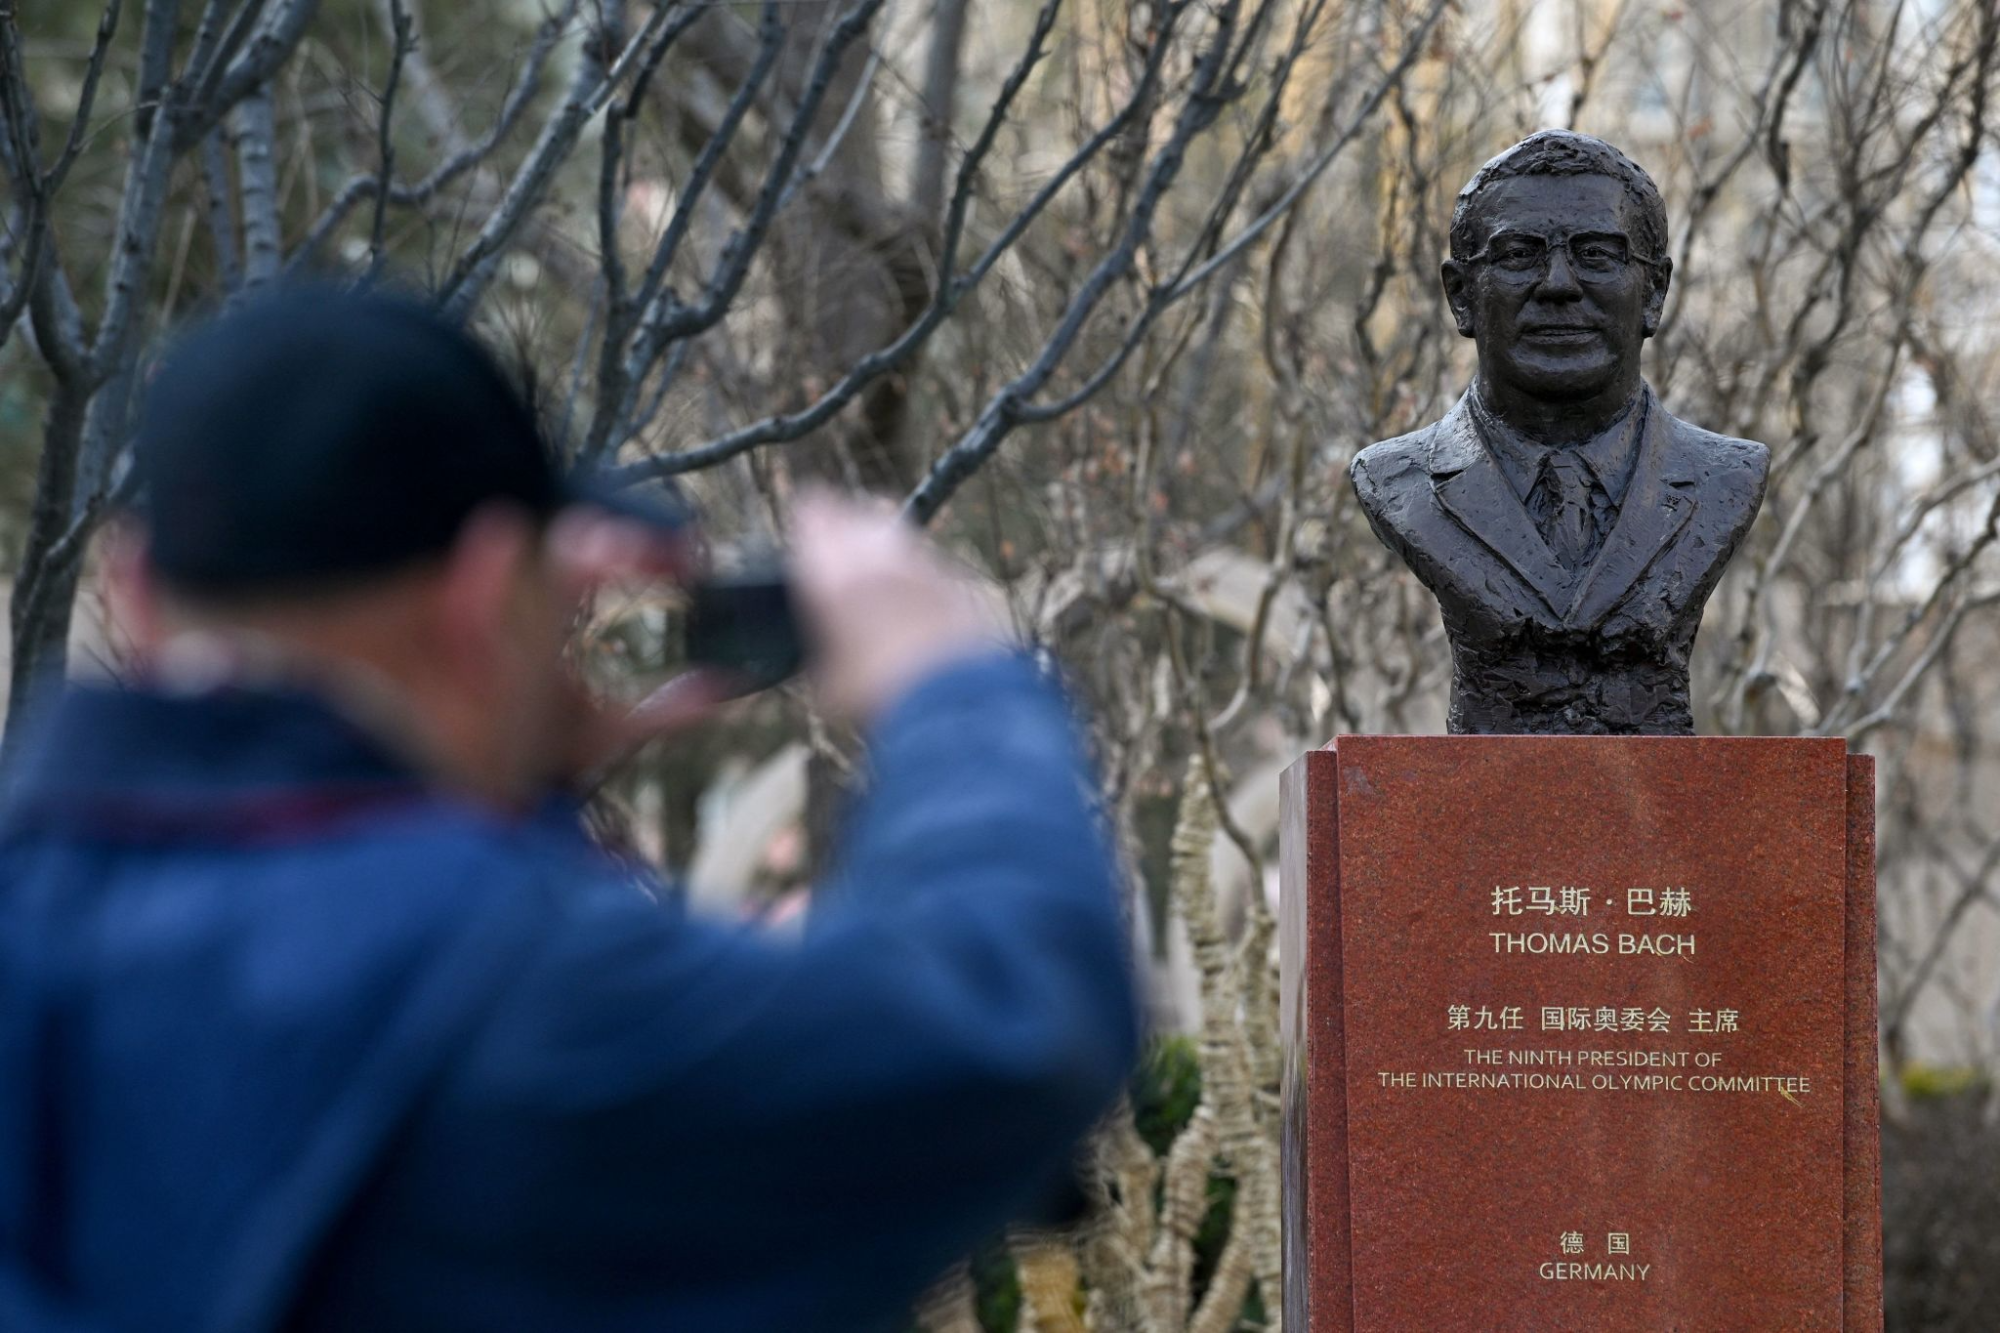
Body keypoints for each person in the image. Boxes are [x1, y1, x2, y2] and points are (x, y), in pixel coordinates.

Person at [0, 288, 1137, 1332]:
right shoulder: (525, 992)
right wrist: (950, 684)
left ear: (134, 592)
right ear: (487, 591)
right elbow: (1007, 1027)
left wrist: (511, 762)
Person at [1350, 130, 1769, 736]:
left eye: (1598, 254)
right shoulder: (1399, 481)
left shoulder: (1724, 478)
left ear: (1654, 293)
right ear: (1460, 296)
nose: (1558, 284)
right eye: (1519, 254)